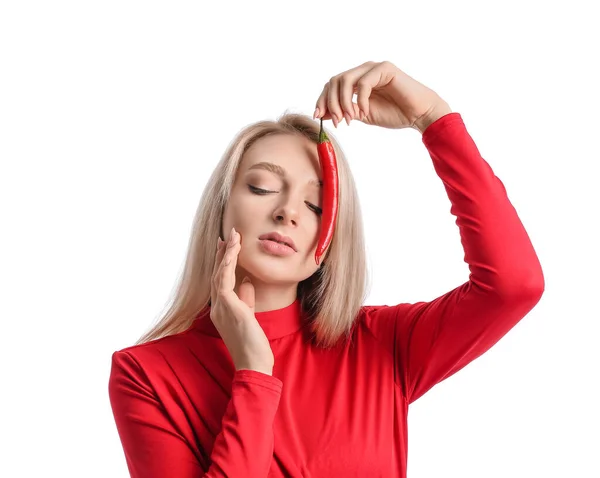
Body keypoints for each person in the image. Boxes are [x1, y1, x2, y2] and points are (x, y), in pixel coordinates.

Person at [108, 60, 545, 477]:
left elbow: (514, 285)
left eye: (316, 204)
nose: (288, 212)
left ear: (332, 237)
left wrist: (432, 117)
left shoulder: (380, 346)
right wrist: (254, 375)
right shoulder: (145, 374)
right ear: (221, 208)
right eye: (262, 187)